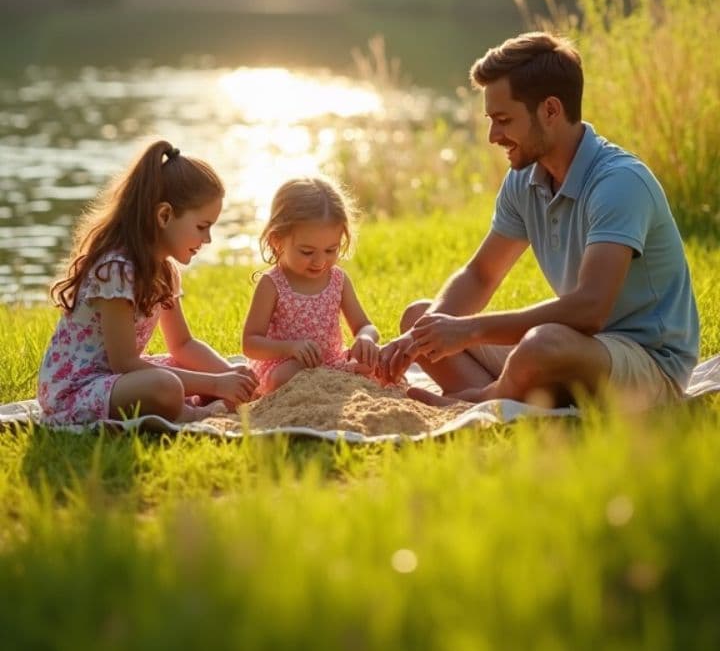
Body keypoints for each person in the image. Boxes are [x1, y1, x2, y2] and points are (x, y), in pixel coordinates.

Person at [379, 32, 699, 412]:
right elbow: (481, 274)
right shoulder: (526, 177)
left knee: (541, 345)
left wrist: (468, 331)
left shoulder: (619, 183)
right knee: (422, 318)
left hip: (648, 364)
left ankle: (479, 401)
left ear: (550, 110)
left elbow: (589, 310)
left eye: (503, 120)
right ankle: (505, 396)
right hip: (577, 349)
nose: (493, 136)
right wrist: (425, 333)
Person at [38, 140, 258, 424]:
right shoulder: (116, 270)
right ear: (164, 215)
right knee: (165, 386)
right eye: (202, 227)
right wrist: (215, 384)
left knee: (213, 369)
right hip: (77, 390)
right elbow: (126, 363)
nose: (207, 240)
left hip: (116, 381)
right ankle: (190, 414)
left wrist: (230, 375)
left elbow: (183, 344)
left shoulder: (165, 272)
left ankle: (198, 400)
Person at [242, 176, 380, 395]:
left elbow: (365, 325)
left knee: (374, 364)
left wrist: (365, 338)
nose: (319, 262)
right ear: (277, 240)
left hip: (331, 362)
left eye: (330, 250)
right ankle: (328, 383)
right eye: (307, 252)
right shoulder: (272, 284)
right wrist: (291, 348)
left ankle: (333, 382)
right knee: (288, 375)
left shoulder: (338, 280)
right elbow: (250, 344)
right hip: (285, 366)